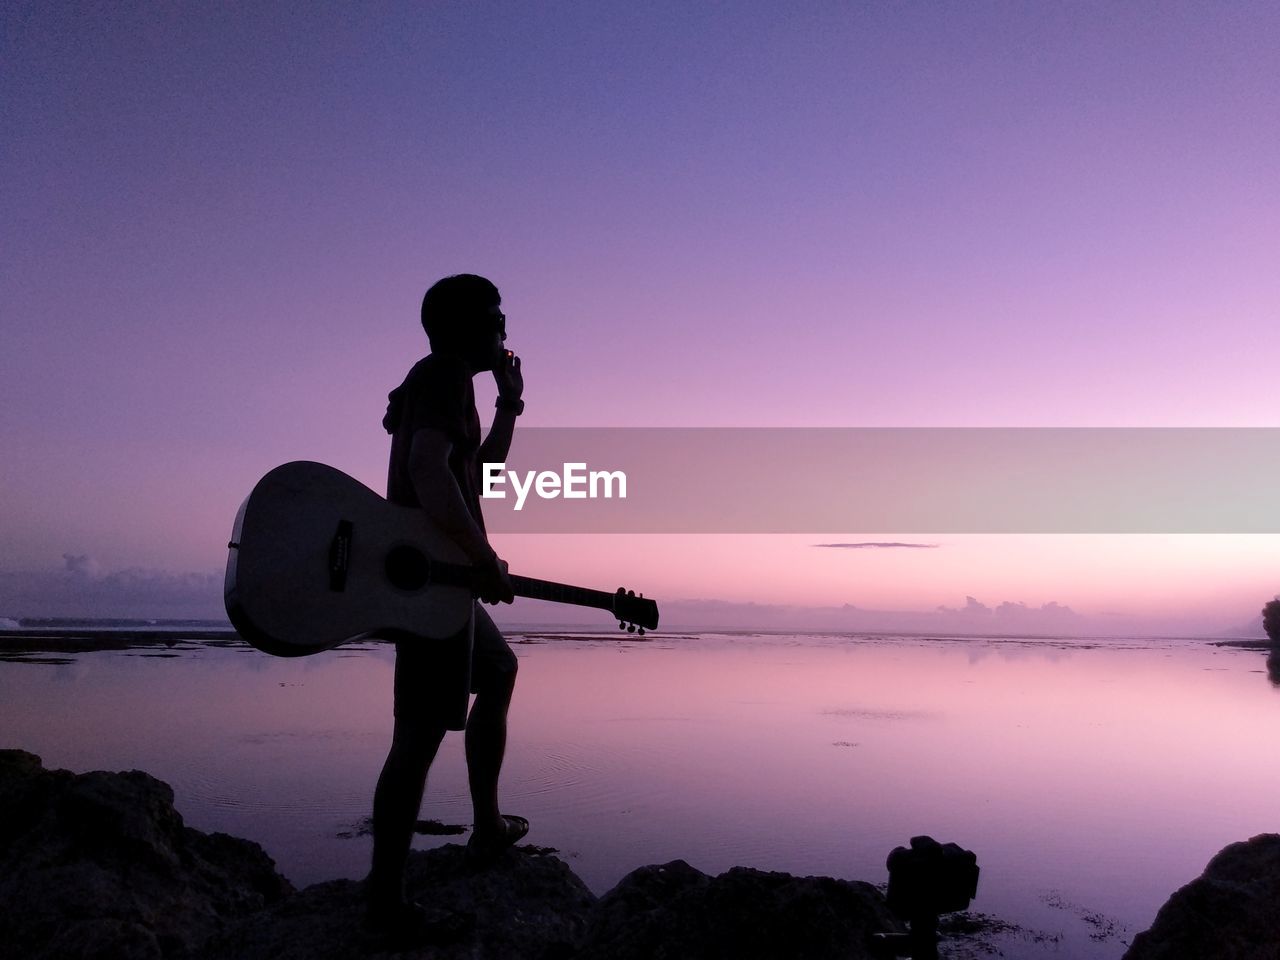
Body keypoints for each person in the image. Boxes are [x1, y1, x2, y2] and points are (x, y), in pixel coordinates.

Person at [365, 273, 527, 938]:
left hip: (447, 577)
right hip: (429, 581)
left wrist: (510, 406)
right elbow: (429, 472)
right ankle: (383, 904)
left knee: (498, 671)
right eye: (494, 317)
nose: (505, 330)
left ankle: (486, 828)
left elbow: (476, 473)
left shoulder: (448, 383)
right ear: (461, 327)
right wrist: (479, 557)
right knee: (417, 739)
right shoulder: (442, 373)